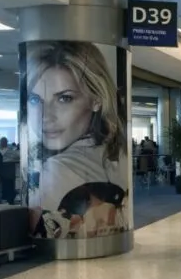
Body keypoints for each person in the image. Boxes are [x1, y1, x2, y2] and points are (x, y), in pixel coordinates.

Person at [25, 41, 129, 240]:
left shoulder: (55, 171)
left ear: (96, 100)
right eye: (35, 100)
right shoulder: (116, 153)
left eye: (64, 98)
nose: (45, 116)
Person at [0, 137, 19, 204]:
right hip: (3, 173)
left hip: (9, 173)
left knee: (9, 187)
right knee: (5, 187)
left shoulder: (10, 151)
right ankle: (8, 200)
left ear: (5, 142)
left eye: (2, 142)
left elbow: (17, 157)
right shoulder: (0, 151)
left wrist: (8, 160)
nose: (0, 143)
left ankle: (10, 201)